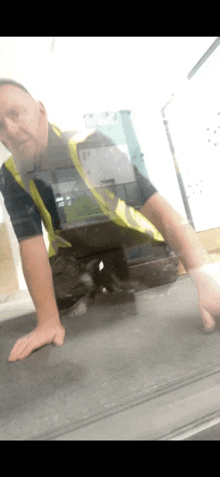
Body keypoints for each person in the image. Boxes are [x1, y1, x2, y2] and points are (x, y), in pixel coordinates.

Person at [0, 78, 219, 363]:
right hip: (76, 253)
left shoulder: (88, 147)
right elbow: (30, 245)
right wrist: (47, 321)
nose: (12, 131)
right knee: (63, 290)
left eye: (16, 114)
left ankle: (108, 279)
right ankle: (93, 281)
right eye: (0, 126)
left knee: (151, 275)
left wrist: (205, 279)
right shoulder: (11, 175)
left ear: (40, 111)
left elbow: (161, 212)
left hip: (130, 242)